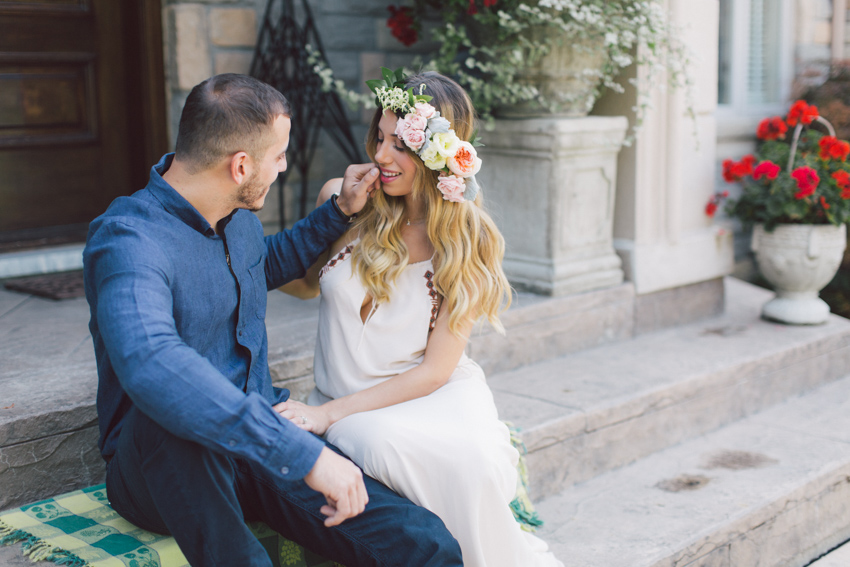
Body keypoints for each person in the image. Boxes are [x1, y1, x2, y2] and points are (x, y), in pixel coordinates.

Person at [83, 73, 463, 567]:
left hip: (258, 444)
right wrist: (305, 455)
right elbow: (150, 360)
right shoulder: (128, 239)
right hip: (163, 467)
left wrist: (339, 212)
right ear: (241, 165)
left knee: (423, 543)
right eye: (280, 155)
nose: (284, 166)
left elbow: (260, 265)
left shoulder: (236, 217)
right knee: (171, 406)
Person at [278, 70, 564, 567]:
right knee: (370, 438)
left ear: (437, 156)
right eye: (381, 138)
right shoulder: (345, 197)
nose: (382, 156)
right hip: (348, 399)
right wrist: (232, 253)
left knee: (464, 460)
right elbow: (301, 284)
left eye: (401, 145)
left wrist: (325, 416)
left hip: (430, 394)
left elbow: (435, 371)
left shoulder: (464, 239)